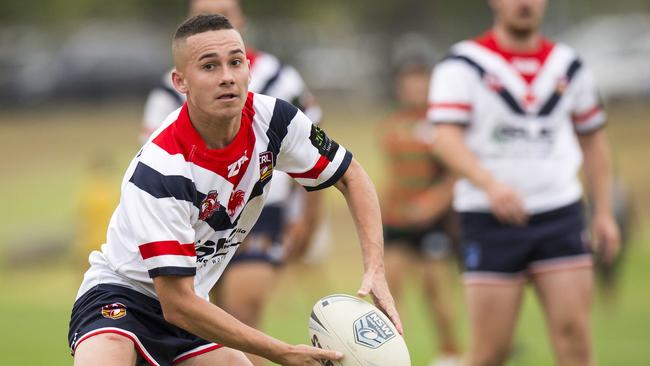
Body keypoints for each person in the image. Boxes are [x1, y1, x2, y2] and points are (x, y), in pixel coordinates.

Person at [68, 14, 401, 366]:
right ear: (181, 81)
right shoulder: (161, 169)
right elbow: (177, 303)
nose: (227, 76)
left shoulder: (274, 121)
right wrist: (282, 352)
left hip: (191, 303)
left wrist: (375, 267)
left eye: (235, 62)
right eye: (209, 66)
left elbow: (351, 175)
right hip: (122, 297)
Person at [428, 0, 620, 365]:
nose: (524, 3)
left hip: (559, 214)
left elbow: (593, 140)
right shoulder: (463, 63)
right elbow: (444, 139)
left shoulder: (569, 65)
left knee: (576, 342)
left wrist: (605, 212)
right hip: (489, 220)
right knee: (490, 353)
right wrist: (490, 185)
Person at [142, 2, 322, 364]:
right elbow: (150, 164)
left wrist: (309, 218)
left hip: (261, 211)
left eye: (225, 11)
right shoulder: (170, 87)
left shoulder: (280, 77)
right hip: (191, 220)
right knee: (198, 323)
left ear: (241, 20)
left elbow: (314, 150)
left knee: (243, 311)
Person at [377, 61, 461, 366]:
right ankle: (390, 355)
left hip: (432, 221)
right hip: (399, 220)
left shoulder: (440, 125)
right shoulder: (392, 125)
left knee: (434, 288)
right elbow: (395, 174)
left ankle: (451, 353)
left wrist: (431, 205)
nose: (414, 90)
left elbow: (454, 177)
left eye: (420, 84)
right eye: (408, 84)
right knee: (391, 286)